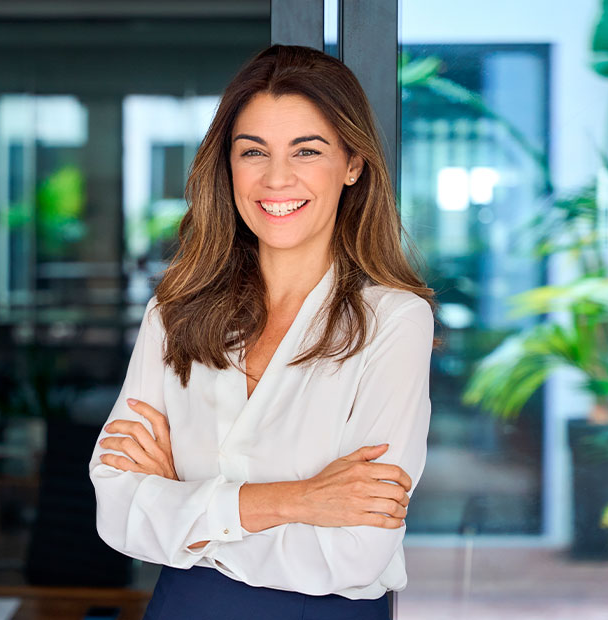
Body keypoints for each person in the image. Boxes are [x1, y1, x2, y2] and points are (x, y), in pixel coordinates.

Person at [88, 44, 436, 619]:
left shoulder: (393, 322)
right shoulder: (175, 312)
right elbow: (117, 510)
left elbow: (355, 551)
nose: (277, 178)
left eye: (307, 150)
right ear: (227, 165)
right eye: (253, 151)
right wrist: (298, 500)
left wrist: (181, 503)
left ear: (352, 164)